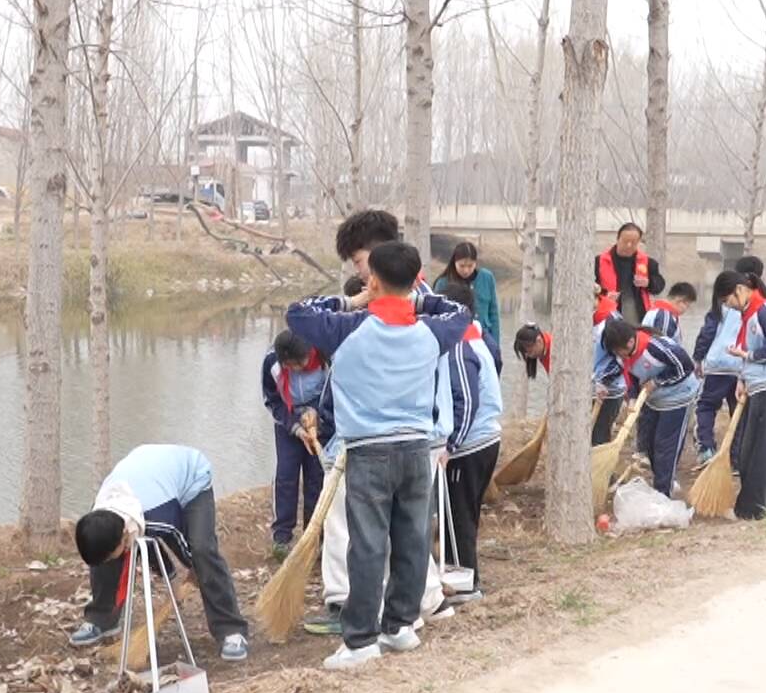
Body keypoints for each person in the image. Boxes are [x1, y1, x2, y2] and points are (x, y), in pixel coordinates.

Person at [285, 241, 470, 671]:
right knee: (412, 537)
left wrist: (352, 298)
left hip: (369, 449)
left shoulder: (347, 328)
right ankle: (399, 625)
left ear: (372, 280)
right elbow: (460, 312)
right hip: (416, 448)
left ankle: (361, 640)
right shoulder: (429, 330)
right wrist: (416, 296)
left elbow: (297, 313)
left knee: (367, 545)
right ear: (416, 277)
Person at [70, 444, 251, 662]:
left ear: (124, 534)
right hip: (148, 473)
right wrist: (171, 581)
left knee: (203, 551)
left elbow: (173, 539)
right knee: (105, 554)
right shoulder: (100, 514)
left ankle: (232, 630)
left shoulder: (158, 514)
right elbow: (146, 545)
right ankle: (102, 620)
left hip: (191, 478)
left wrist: (192, 570)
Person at [433, 278, 502, 601]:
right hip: (483, 437)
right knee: (463, 512)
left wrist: (451, 445)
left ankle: (465, 586)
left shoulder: (460, 345)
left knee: (459, 514)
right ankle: (461, 578)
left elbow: (467, 400)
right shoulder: (479, 336)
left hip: (471, 443)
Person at [603, 321, 699, 498]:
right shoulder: (626, 354)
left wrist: (657, 382)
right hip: (655, 399)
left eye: (618, 351)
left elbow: (686, 366)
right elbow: (632, 376)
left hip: (678, 397)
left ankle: (663, 493)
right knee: (649, 445)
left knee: (666, 445)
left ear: (630, 342)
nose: (619, 356)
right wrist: (632, 397)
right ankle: (664, 482)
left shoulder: (656, 348)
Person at [724, 269, 766, 519]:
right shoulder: (748, 314)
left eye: (727, 300)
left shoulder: (765, 310)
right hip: (756, 386)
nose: (728, 306)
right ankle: (765, 503)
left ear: (740, 290)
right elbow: (749, 349)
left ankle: (751, 510)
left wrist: (746, 357)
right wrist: (742, 377)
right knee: (746, 451)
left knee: (761, 451)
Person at [259, 329, 328, 554]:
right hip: (288, 422)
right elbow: (272, 401)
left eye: (298, 365)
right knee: (286, 477)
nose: (294, 370)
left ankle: (314, 536)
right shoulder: (272, 362)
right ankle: (281, 537)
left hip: (319, 420)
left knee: (316, 477)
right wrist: (296, 428)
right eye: (289, 366)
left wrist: (317, 415)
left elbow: (333, 393)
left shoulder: (325, 356)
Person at [692, 271, 746, 466]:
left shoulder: (720, 308)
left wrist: (698, 358)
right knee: (738, 411)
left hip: (717, 365)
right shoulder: (749, 308)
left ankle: (706, 448)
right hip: (739, 365)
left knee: (706, 406)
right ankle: (736, 456)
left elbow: (707, 333)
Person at [433, 241, 502, 366]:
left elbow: (494, 313)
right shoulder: (443, 283)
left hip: (483, 337)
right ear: (454, 263)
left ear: (476, 263)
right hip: (456, 341)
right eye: (462, 266)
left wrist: (495, 344)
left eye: (470, 266)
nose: (466, 270)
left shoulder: (487, 278)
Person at [595, 222, 661, 326]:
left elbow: (659, 286)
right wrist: (605, 295)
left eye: (633, 242)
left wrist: (648, 283)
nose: (629, 245)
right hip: (607, 317)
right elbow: (590, 288)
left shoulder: (648, 262)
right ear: (618, 239)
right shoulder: (599, 261)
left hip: (638, 317)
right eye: (625, 241)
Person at [590, 315, 633, 445]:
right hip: (594, 386)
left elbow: (621, 361)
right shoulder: (598, 327)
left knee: (599, 434)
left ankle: (598, 462)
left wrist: (603, 382)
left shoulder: (616, 334)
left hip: (611, 391)